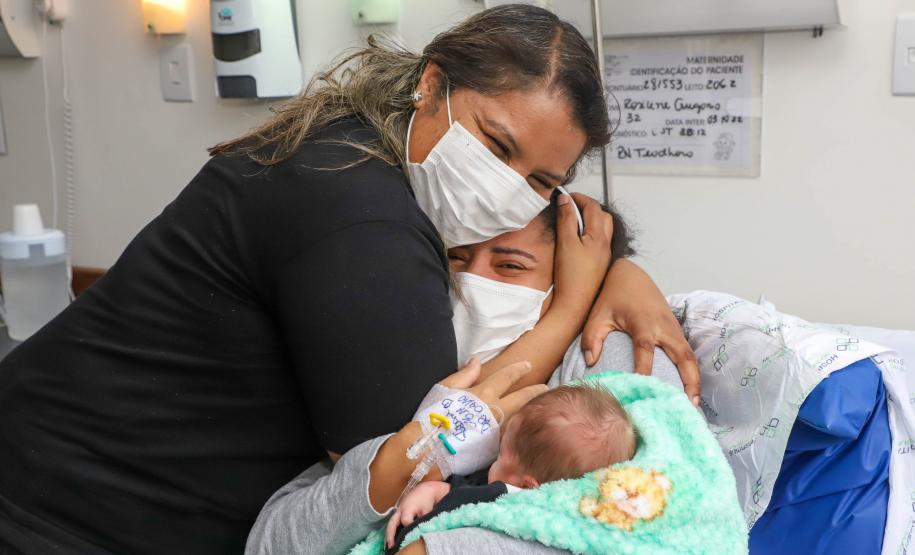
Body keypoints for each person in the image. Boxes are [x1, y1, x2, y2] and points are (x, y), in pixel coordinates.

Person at [0, 5, 696, 555]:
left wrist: (621, 271)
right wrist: (572, 302)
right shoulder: (361, 216)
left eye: (539, 181)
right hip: (68, 508)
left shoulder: (354, 153)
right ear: (432, 84)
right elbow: (423, 446)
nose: (503, 190)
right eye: (495, 143)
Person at [383, 383, 637, 553]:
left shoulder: (500, 498)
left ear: (527, 485)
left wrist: (432, 489)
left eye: (501, 456)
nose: (494, 459)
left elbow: (453, 505)